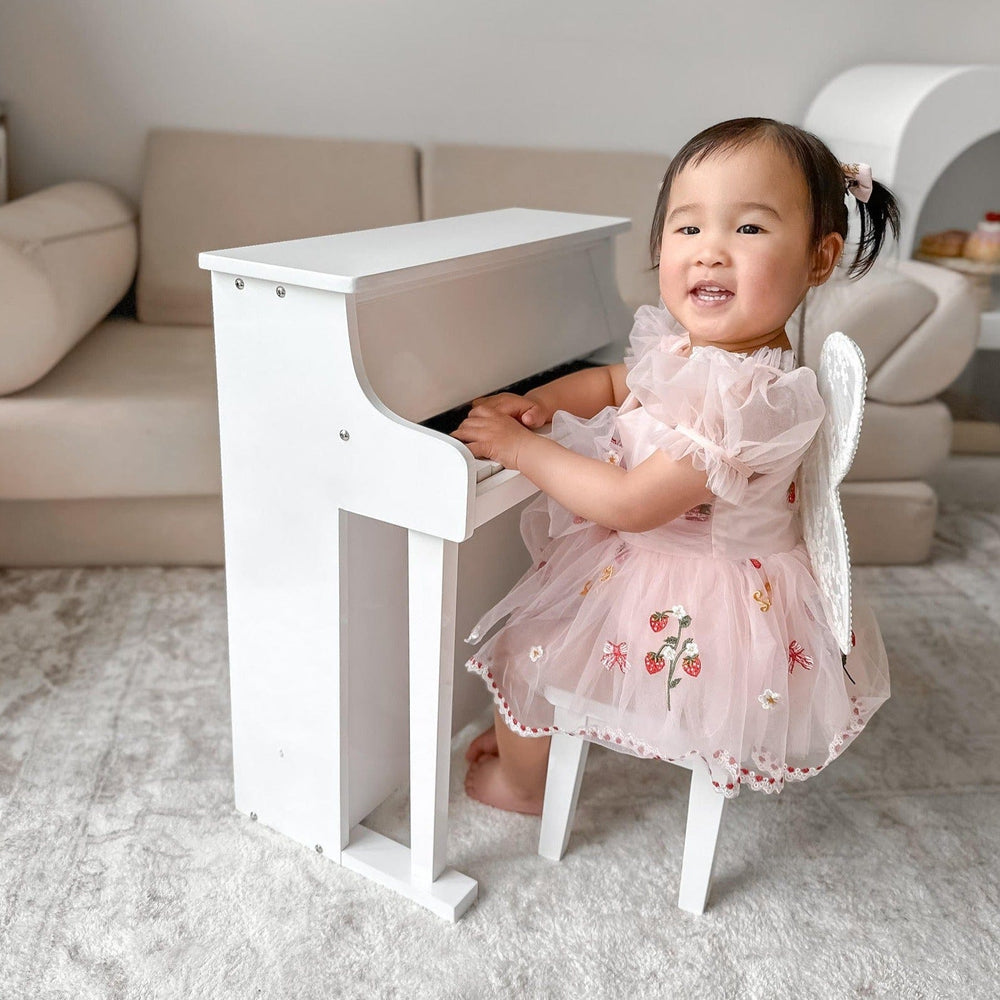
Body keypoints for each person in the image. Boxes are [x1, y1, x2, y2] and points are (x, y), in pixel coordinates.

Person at [452, 117, 896, 815]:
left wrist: (521, 450)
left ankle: (522, 783)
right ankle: (528, 743)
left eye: (748, 230)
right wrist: (538, 402)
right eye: (687, 229)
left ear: (818, 258)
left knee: (531, 646)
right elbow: (611, 385)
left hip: (705, 599)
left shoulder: (749, 402)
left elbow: (632, 504)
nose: (710, 252)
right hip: (653, 561)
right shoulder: (696, 354)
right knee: (542, 638)